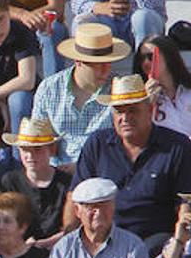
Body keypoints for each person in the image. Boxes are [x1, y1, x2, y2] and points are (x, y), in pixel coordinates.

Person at [74, 74, 191, 248]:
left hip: (156, 238)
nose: (125, 117)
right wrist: (68, 232)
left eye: (132, 110)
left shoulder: (178, 146)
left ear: (150, 110)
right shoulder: (97, 144)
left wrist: (179, 240)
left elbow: (186, 201)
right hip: (104, 236)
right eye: (119, 111)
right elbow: (76, 195)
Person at [31, 22, 125, 167]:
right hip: (59, 172)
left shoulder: (120, 89)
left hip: (104, 171)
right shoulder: (49, 89)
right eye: (98, 64)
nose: (106, 70)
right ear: (78, 61)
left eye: (108, 63)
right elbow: (38, 139)